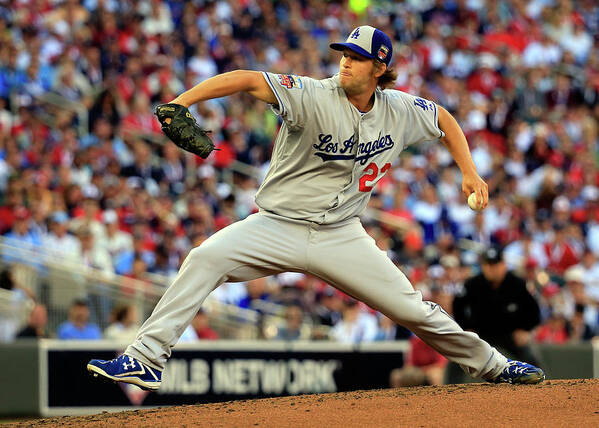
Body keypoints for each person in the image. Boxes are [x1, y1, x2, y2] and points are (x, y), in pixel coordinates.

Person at [87, 26, 544, 391]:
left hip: (342, 234)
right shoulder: (310, 92)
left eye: (356, 57)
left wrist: (469, 170)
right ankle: (144, 360)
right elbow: (247, 79)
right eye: (343, 54)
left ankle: (494, 367)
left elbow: (442, 118)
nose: (345, 61)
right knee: (204, 258)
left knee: (413, 310)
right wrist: (183, 101)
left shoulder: (399, 109)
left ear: (379, 67)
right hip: (275, 226)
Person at [452, 246, 542, 366]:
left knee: (531, 360)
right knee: (456, 360)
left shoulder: (518, 284)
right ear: (483, 266)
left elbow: (534, 310)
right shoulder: (472, 284)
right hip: (480, 335)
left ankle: (542, 384)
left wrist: (526, 330)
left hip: (510, 334)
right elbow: (457, 306)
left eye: (495, 265)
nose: (491, 269)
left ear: (503, 265)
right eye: (488, 265)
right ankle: (450, 385)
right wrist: (466, 328)